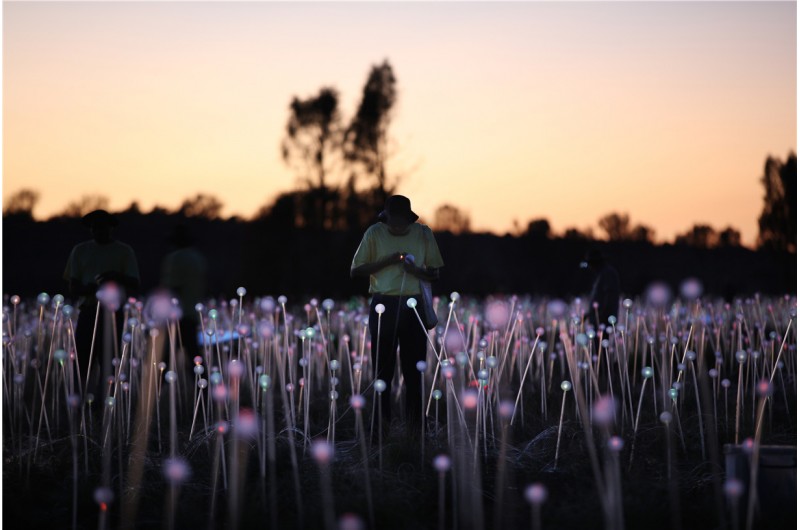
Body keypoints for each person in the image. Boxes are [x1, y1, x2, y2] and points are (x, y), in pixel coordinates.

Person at [351, 195, 444, 437]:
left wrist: (415, 271)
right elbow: (356, 270)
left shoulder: (423, 234)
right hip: (384, 306)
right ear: (386, 218)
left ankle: (416, 431)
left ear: (409, 218)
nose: (398, 226)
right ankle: (380, 431)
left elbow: (434, 273)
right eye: (394, 222)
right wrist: (388, 261)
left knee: (414, 371)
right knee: (383, 371)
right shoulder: (374, 234)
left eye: (402, 222)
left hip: (414, 308)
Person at [64, 209, 140, 404]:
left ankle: (104, 403)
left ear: (111, 228)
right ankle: (78, 401)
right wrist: (88, 289)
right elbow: (73, 286)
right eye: (95, 227)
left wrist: (115, 276)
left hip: (113, 314)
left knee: (109, 359)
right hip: (88, 311)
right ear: (90, 229)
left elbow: (135, 282)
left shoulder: (124, 251)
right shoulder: (80, 251)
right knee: (82, 358)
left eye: (103, 227)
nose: (99, 231)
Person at [160, 223, 207, 362]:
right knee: (193, 353)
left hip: (176, 315)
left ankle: (158, 383)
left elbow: (172, 288)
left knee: (166, 356)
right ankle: (201, 382)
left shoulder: (174, 258)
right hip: (192, 313)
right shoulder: (198, 258)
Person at [581, 249, 620, 329]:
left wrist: (601, 316)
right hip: (599, 320)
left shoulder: (608, 274)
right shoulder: (601, 275)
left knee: (602, 340)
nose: (590, 267)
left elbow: (609, 297)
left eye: (591, 263)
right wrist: (590, 314)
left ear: (596, 262)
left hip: (603, 321)